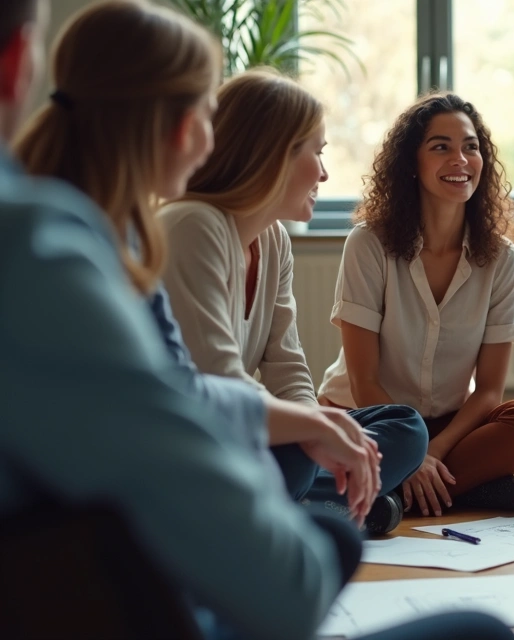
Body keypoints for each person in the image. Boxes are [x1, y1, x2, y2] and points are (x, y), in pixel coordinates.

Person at [0, 1, 514, 639]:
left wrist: (309, 420)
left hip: (131, 551)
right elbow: (179, 431)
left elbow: (195, 389)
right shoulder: (64, 244)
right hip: (136, 575)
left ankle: (332, 499)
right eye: (205, 115)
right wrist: (300, 468)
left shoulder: (109, 235)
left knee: (371, 460)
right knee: (474, 628)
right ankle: (328, 502)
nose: (211, 139)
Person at [157, 70, 429, 535]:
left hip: (248, 432)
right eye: (317, 153)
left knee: (405, 427)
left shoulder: (275, 239)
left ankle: (310, 508)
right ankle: (327, 507)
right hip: (191, 440)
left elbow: (286, 362)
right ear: (273, 155)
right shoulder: (191, 225)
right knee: (300, 456)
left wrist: (313, 421)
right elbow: (217, 380)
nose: (324, 173)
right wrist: (311, 430)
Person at [316, 92, 514, 516]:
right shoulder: (368, 244)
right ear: (412, 163)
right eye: (440, 147)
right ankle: (463, 491)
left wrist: (430, 452)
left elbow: (488, 392)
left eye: (470, 147)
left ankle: (389, 495)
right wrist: (408, 448)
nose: (460, 159)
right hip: (368, 417)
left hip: (447, 426)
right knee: (380, 443)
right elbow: (363, 380)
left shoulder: (502, 259)